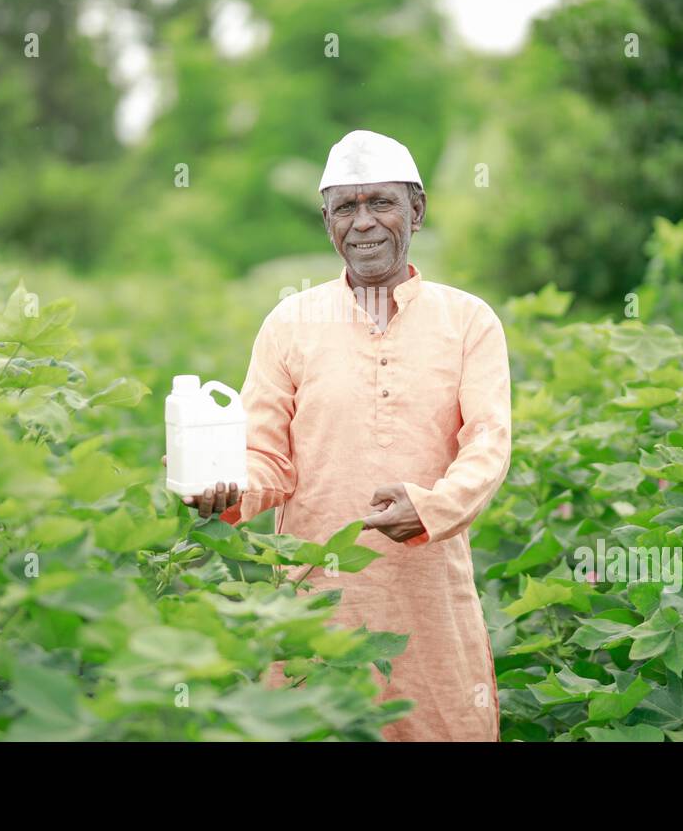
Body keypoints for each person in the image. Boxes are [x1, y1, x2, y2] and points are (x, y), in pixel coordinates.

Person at [167, 129, 512, 741]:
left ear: (417, 210)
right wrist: (227, 490)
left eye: (380, 202)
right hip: (315, 605)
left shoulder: (468, 322)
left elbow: (487, 443)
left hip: (429, 600)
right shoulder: (290, 324)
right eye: (345, 208)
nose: (364, 223)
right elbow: (266, 457)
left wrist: (431, 507)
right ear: (326, 221)